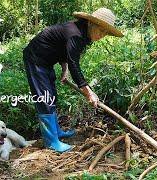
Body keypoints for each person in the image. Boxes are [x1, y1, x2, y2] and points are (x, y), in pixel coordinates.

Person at [23, 8, 123, 152]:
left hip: (46, 60)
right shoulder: (75, 34)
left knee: (51, 96)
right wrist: (89, 92)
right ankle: (51, 142)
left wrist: (64, 70)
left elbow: (63, 50)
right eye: (101, 30)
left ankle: (57, 132)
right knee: (44, 98)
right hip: (35, 59)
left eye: (105, 33)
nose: (102, 35)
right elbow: (74, 63)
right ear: (91, 23)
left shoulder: (81, 33)